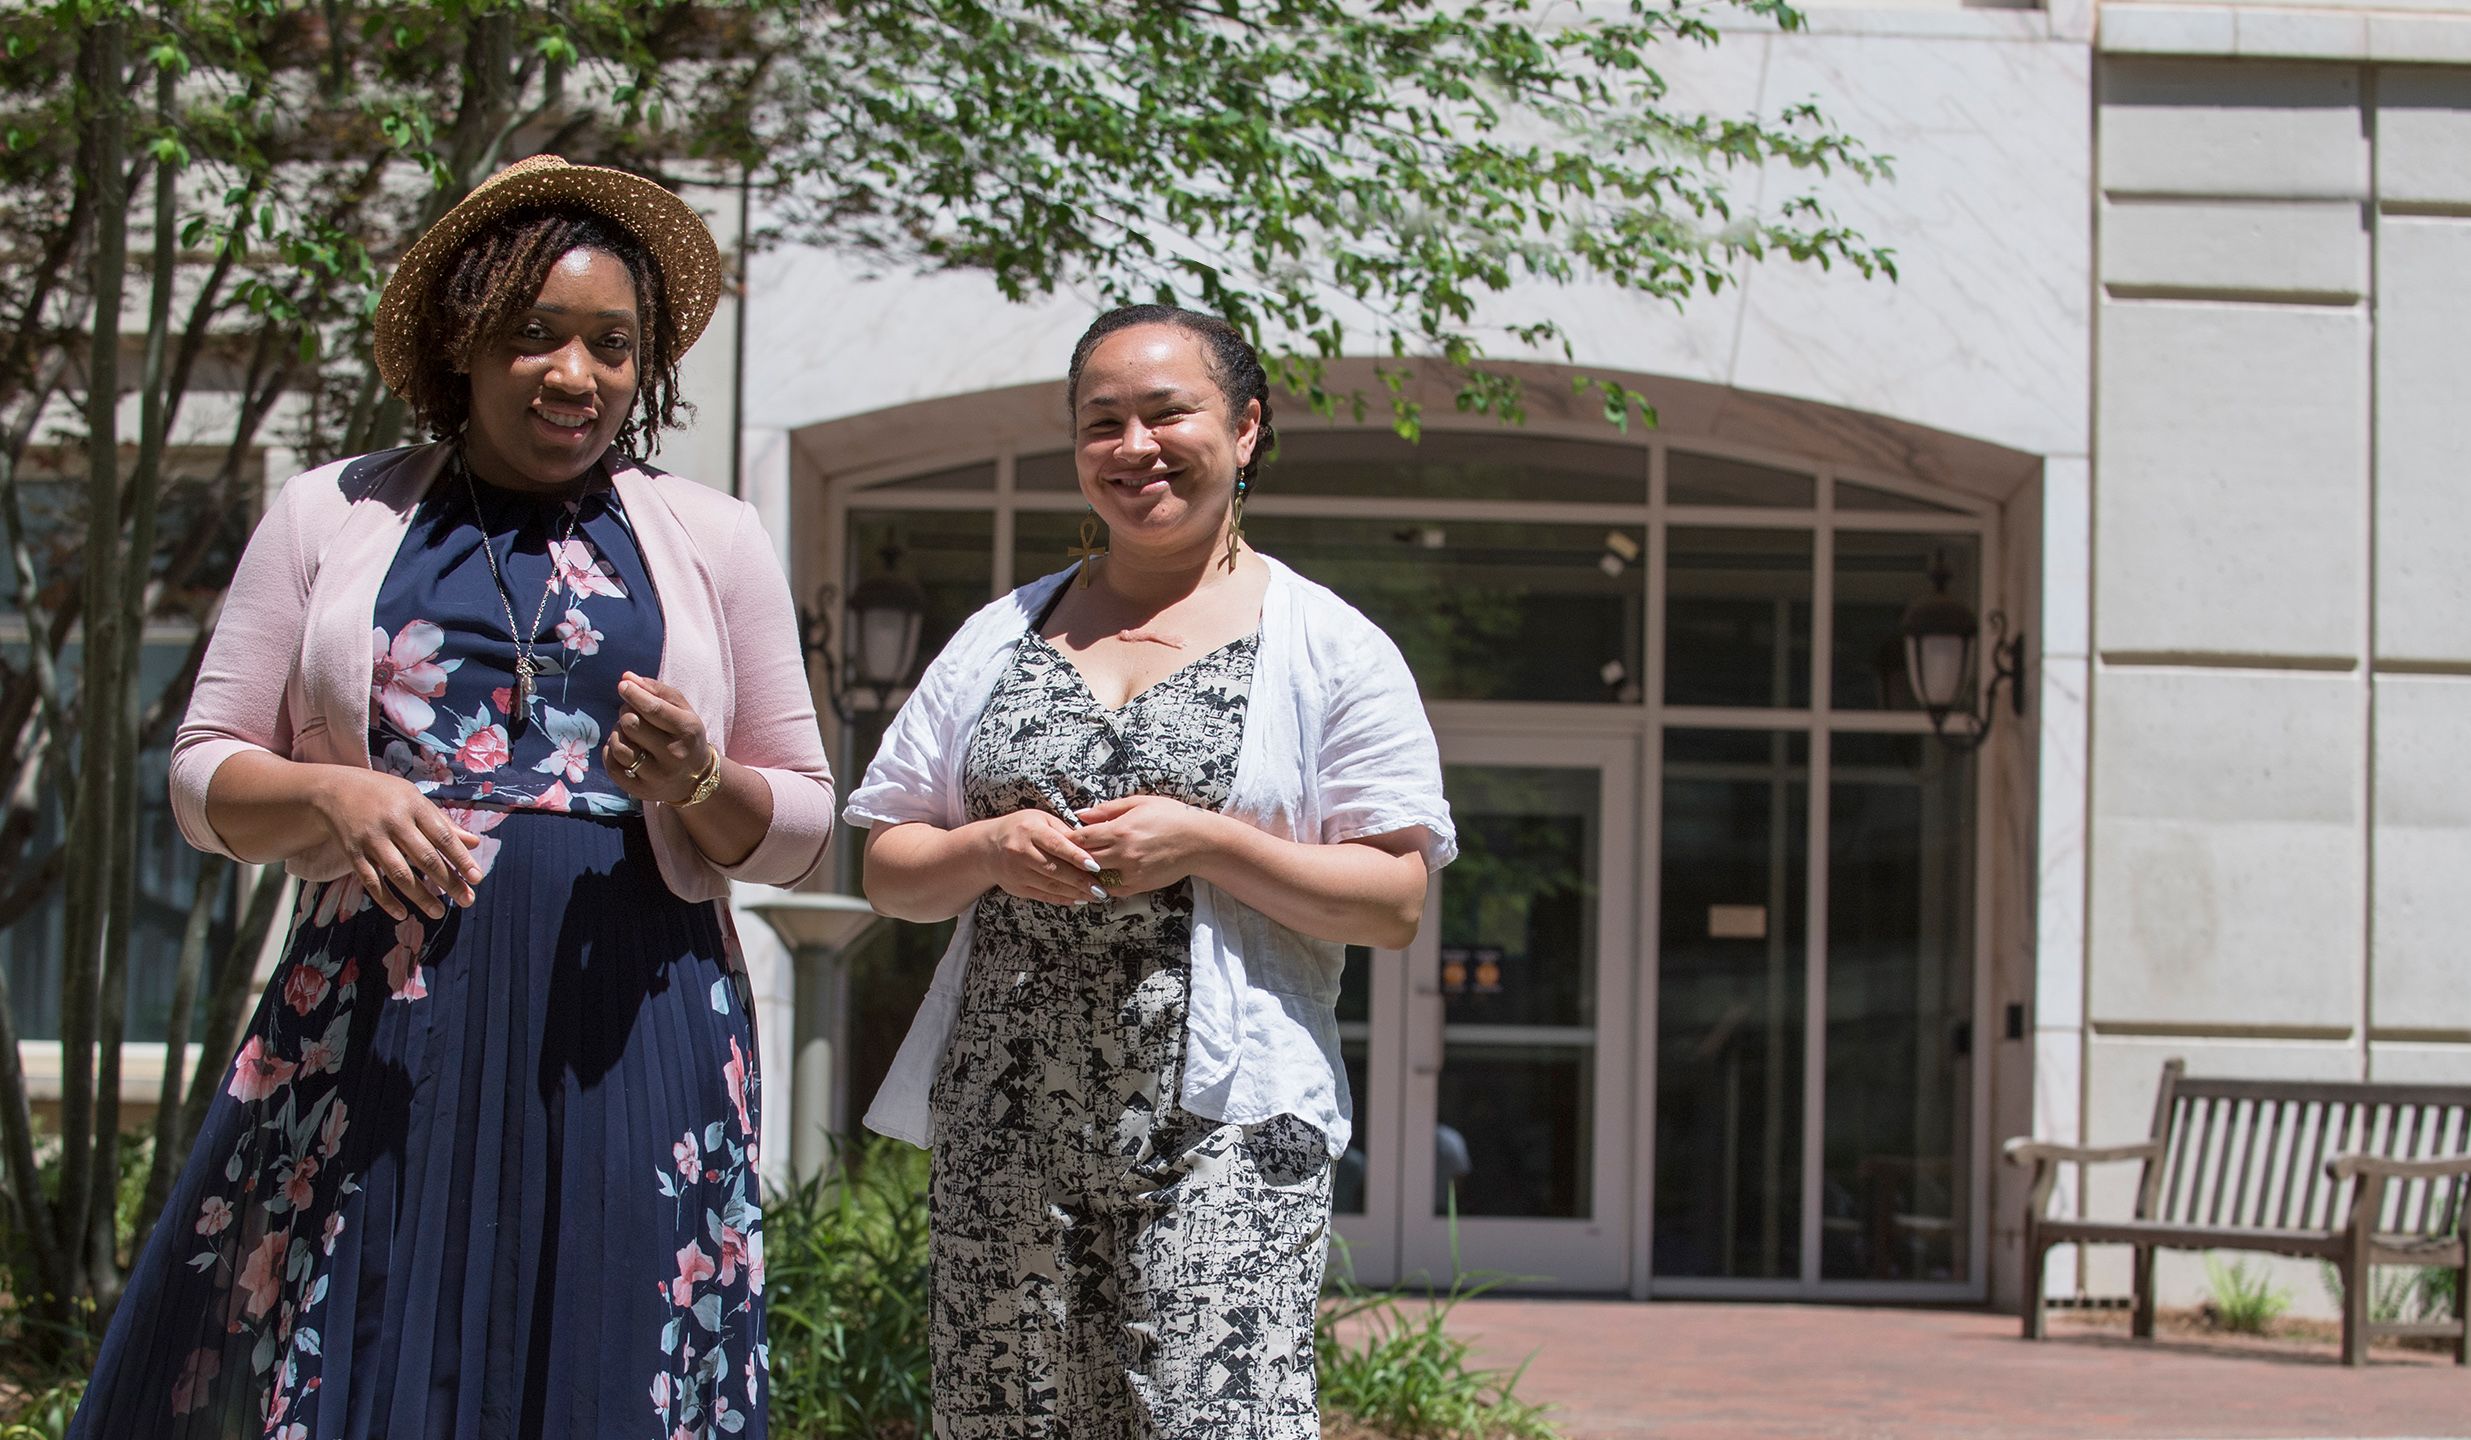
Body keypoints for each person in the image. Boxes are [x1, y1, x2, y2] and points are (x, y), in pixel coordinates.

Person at [71, 156, 832, 1440]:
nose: (575, 374)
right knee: (365, 1342)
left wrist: (701, 780)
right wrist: (334, 797)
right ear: (463, 342)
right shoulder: (334, 512)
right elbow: (204, 775)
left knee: (610, 1356)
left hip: (630, 1015)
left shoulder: (712, 536)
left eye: (612, 344)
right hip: (373, 1016)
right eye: (535, 336)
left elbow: (805, 826)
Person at [846, 304, 1458, 1437]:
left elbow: (1395, 901)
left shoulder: (1326, 645)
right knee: (1007, 1418)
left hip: (1224, 1127)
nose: (1135, 447)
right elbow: (889, 867)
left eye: (1168, 413)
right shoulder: (1001, 637)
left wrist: (1205, 840)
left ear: (1247, 429)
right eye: (1102, 422)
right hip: (1005, 1116)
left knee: (1209, 1419)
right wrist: (984, 849)